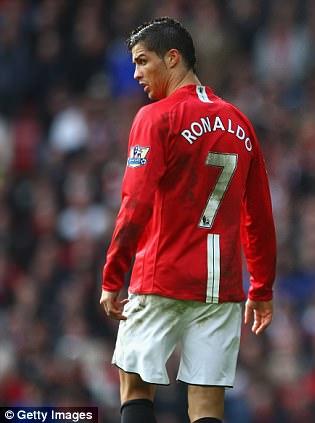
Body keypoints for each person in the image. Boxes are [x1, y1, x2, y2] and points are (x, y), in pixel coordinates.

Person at [99, 17, 276, 423]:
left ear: (173, 58)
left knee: (136, 384)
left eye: (143, 62)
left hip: (162, 275)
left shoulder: (155, 118)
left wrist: (113, 277)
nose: (136, 74)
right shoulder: (240, 123)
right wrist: (261, 288)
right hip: (222, 286)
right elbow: (260, 216)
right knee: (207, 404)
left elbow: (135, 205)